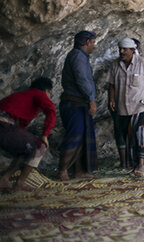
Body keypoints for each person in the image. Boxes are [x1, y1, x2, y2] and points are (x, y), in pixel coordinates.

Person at [107, 38, 144, 176]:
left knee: (140, 135)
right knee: (127, 136)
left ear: (132, 50)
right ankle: (130, 163)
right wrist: (111, 99)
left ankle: (141, 165)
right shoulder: (115, 65)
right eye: (120, 49)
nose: (121, 52)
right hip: (122, 108)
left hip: (139, 106)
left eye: (125, 49)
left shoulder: (142, 63)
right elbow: (111, 84)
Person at [0, 77, 56, 191]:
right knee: (40, 146)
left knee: (26, 148)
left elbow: (21, 128)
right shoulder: (38, 94)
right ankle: (20, 182)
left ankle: (4, 179)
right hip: (3, 124)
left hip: (6, 127)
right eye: (50, 93)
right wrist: (45, 135)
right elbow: (51, 110)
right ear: (47, 91)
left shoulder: (23, 96)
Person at [58, 30, 98, 181]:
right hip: (73, 103)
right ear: (87, 42)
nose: (94, 46)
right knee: (74, 135)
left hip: (79, 103)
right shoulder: (77, 56)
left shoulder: (81, 57)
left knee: (82, 137)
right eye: (93, 42)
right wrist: (92, 99)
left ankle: (79, 171)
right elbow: (82, 80)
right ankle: (62, 170)